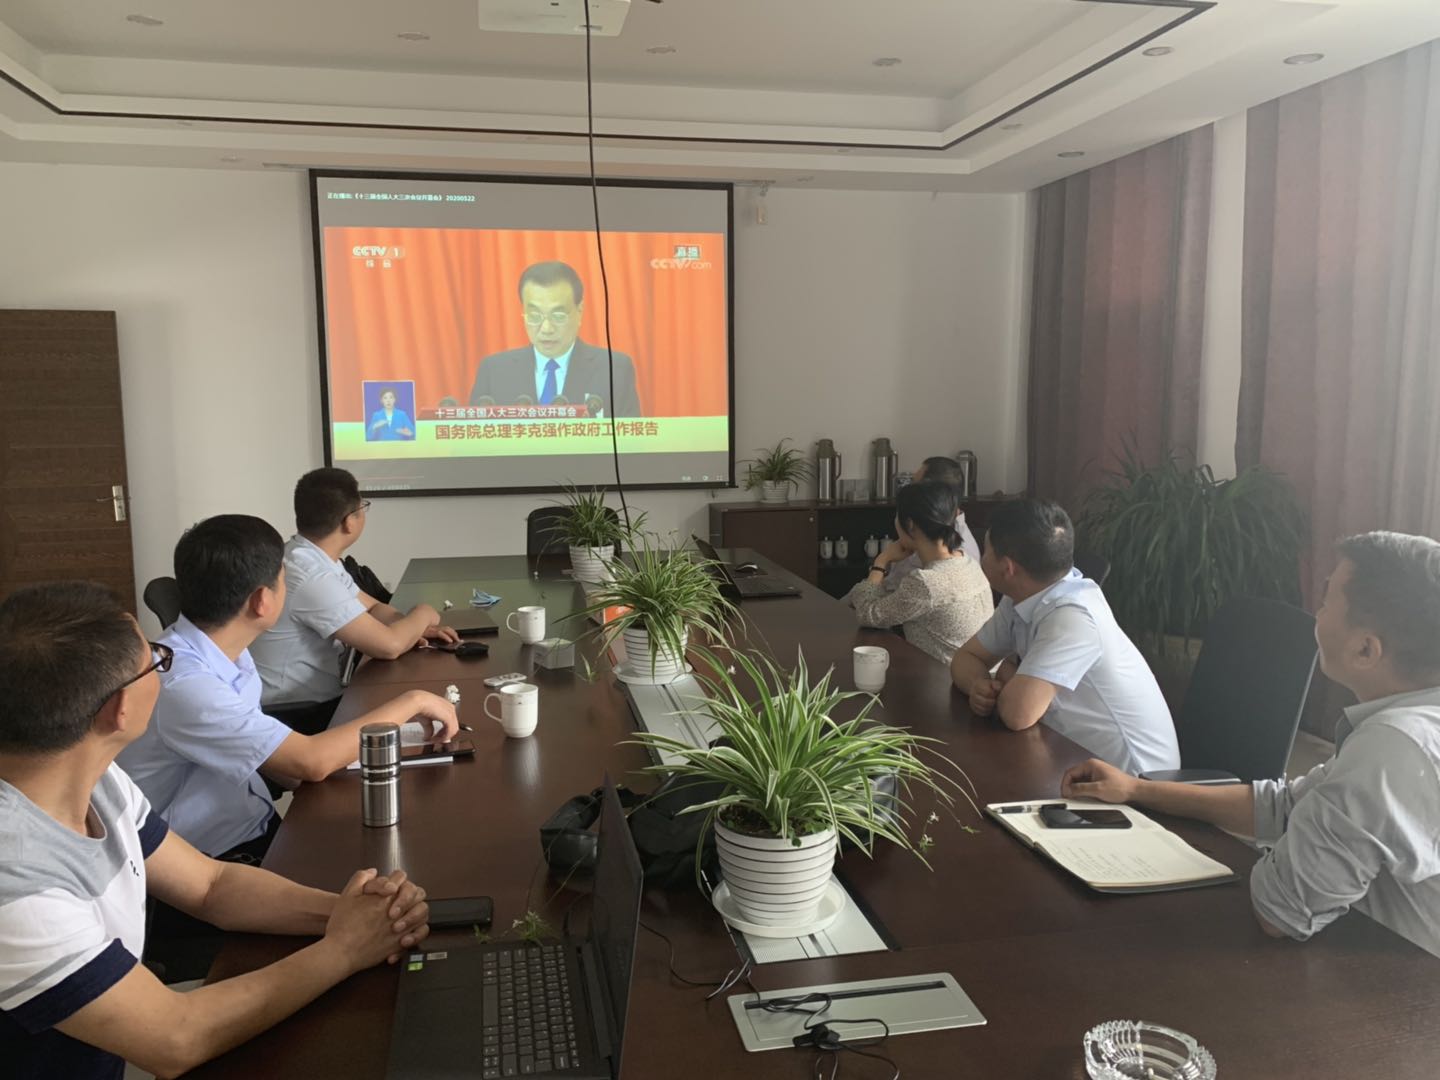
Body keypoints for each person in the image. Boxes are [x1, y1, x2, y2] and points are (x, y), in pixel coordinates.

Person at [0, 581, 434, 1079]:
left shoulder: (94, 779)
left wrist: (357, 914)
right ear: (119, 710)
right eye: (156, 661)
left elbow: (211, 885)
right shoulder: (16, 879)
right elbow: (175, 1037)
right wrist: (344, 949)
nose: (166, 666)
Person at [1062, 532, 1440, 956]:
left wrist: (1293, 837)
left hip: (1391, 982)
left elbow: (1281, 910)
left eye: (1326, 602)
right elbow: (1285, 808)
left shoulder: (1394, 748)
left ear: (1365, 650)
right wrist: (1136, 790)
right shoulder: (1411, 727)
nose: (1316, 614)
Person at [117, 514, 459, 859]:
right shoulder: (185, 683)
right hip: (210, 859)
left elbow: (281, 761)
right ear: (262, 601)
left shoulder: (226, 651)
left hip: (249, 821)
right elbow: (310, 761)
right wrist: (413, 702)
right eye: (284, 580)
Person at [951, 498, 1179, 774]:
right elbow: (966, 658)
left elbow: (1017, 714)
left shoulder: (1073, 615)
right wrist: (979, 685)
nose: (981, 557)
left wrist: (1008, 676)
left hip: (1134, 780)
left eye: (986, 550)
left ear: (1007, 568)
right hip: (1067, 756)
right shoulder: (1021, 596)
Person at [249, 468, 457, 720]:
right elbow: (389, 646)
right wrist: (422, 614)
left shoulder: (308, 556)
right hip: (298, 715)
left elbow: (373, 608)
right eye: (362, 507)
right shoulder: (311, 577)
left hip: (312, 704)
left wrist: (410, 628)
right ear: (349, 521)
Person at [467, 260, 643, 417]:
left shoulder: (614, 370)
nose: (546, 329)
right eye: (535, 315)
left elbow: (631, 438)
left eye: (558, 316)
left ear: (579, 311)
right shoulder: (494, 371)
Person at [846, 481, 994, 664]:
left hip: (943, 677)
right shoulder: (968, 562)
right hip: (975, 672)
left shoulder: (926, 583)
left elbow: (867, 614)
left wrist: (882, 561)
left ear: (910, 525)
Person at [882, 458, 981, 597]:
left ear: (934, 495)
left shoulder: (960, 554)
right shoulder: (926, 531)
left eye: (915, 485)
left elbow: (888, 604)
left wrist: (881, 561)